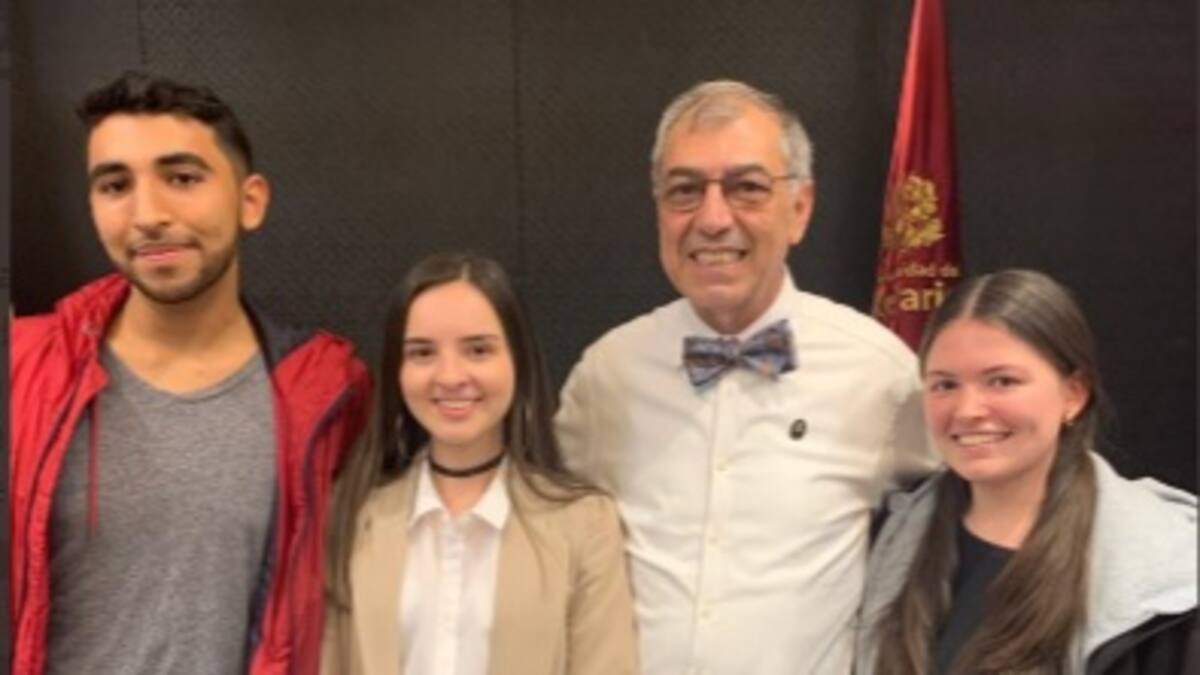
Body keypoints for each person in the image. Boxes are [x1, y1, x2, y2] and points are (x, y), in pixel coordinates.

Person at [554, 80, 936, 674]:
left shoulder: (880, 376)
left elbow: (970, 517)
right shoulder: (606, 378)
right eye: (685, 190)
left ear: (800, 209)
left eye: (747, 188)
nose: (713, 219)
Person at [9, 71, 372, 675]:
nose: (148, 214)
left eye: (181, 178)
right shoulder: (21, 368)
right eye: (115, 185)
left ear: (250, 201)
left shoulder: (328, 391)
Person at [854, 269, 1197, 675]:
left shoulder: (1169, 580)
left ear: (1074, 394)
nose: (967, 410)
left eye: (1002, 381)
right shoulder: (888, 537)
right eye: (945, 385)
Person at [323, 252, 639, 675]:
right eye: (422, 353)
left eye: (478, 350)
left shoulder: (584, 524)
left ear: (517, 360)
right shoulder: (351, 514)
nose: (450, 376)